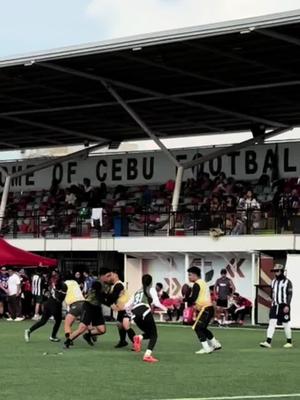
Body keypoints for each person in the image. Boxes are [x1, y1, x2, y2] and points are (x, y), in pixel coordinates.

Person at [125, 274, 167, 363]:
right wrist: (166, 309)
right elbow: (156, 303)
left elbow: (126, 306)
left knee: (149, 333)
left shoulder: (137, 292)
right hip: (144, 311)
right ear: (151, 282)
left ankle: (138, 337)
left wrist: (130, 315)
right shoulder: (151, 289)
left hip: (135, 314)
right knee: (154, 335)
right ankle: (147, 355)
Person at [187, 266, 221, 354]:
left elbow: (193, 298)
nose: (189, 277)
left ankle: (206, 348)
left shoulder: (197, 284)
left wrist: (184, 299)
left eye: (190, 275)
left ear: (195, 275)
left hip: (205, 309)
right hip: (209, 309)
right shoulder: (204, 283)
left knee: (197, 328)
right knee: (203, 328)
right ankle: (215, 344)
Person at [64, 280, 106, 348]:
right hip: (88, 308)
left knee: (102, 330)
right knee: (82, 328)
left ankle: (87, 335)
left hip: (97, 309)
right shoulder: (95, 293)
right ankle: (68, 341)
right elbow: (105, 300)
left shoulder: (98, 291)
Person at [24, 276, 67, 342]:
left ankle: (29, 330)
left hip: (49, 303)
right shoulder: (64, 286)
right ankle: (53, 336)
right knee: (58, 320)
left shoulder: (56, 285)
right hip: (55, 304)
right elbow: (60, 298)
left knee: (43, 321)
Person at [260, 264, 293, 349]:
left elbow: (289, 294)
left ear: (281, 271)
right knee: (272, 322)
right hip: (275, 305)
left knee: (285, 323)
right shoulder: (273, 281)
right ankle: (268, 341)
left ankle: (289, 342)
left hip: (284, 305)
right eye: (275, 271)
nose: (276, 273)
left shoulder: (287, 282)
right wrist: (271, 299)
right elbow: (272, 293)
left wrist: (287, 305)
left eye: (277, 271)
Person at [104, 269, 136, 348]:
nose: (109, 277)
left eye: (110, 275)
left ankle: (136, 343)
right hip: (122, 308)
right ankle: (123, 341)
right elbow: (111, 298)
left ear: (116, 275)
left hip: (127, 307)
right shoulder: (114, 286)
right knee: (119, 324)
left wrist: (106, 298)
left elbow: (112, 298)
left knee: (125, 325)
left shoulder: (119, 285)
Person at [64, 274, 86, 342]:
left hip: (75, 304)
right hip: (84, 303)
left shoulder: (64, 284)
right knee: (85, 323)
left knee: (67, 324)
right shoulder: (75, 282)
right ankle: (92, 334)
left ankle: (69, 339)